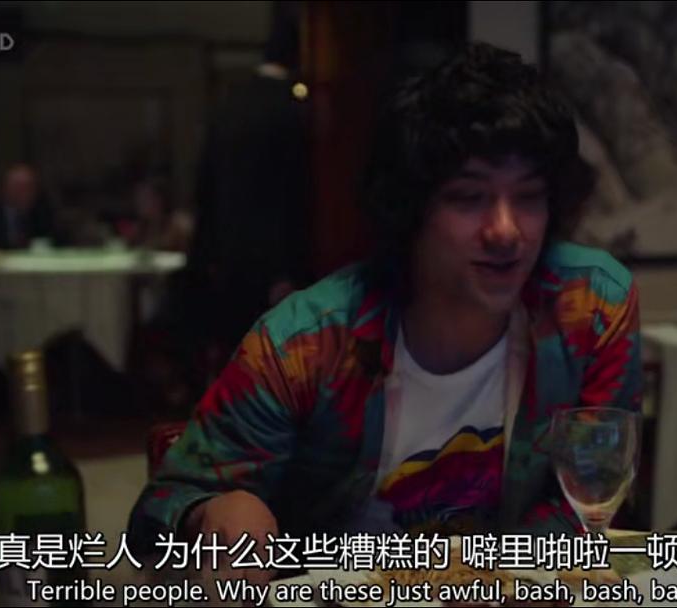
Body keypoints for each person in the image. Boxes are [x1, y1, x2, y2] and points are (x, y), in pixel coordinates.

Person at [128, 43, 642, 565]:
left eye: (529, 197)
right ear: (411, 207)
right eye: (469, 198)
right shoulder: (308, 341)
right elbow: (158, 514)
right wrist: (209, 513)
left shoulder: (590, 305)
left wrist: (478, 572)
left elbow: (592, 499)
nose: (506, 231)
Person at [187, 1, 309, 349]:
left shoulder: (229, 106)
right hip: (275, 271)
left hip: (227, 265)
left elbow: (205, 190)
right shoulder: (291, 112)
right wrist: (288, 268)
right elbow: (293, 195)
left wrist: (204, 258)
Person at [0, 163, 56, 250]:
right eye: (18, 187)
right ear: (5, 189)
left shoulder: (43, 215)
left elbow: (56, 244)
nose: (25, 193)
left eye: (29, 187)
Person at [120, 177, 193, 252]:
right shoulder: (142, 225)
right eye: (139, 198)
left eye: (145, 198)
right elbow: (129, 248)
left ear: (160, 199)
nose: (140, 203)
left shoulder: (178, 224)